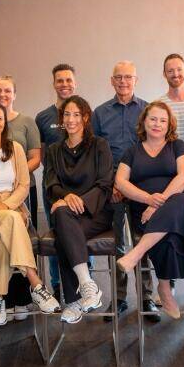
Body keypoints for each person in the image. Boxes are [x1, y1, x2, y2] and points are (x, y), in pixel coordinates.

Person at [0, 101, 60, 325]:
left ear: (5, 122)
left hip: (12, 208)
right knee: (13, 220)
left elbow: (24, 185)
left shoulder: (16, 149)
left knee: (3, 243)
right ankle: (36, 283)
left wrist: (6, 206)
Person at [114, 101, 184, 320]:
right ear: (144, 122)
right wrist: (148, 199)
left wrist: (158, 203)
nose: (157, 124)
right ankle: (165, 288)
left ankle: (137, 253)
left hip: (177, 205)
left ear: (169, 125)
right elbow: (120, 182)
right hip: (143, 210)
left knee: (179, 202)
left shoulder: (177, 146)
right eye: (153, 119)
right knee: (167, 232)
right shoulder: (132, 151)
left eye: (162, 120)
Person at [92, 60, 158, 321]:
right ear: (112, 81)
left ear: (136, 80)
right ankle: (119, 298)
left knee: (143, 243)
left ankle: (147, 298)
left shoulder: (147, 110)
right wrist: (114, 184)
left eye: (128, 77)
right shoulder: (100, 113)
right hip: (114, 190)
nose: (123, 81)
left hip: (141, 187)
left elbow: (152, 148)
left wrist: (135, 185)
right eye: (118, 77)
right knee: (117, 245)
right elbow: (97, 153)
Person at [44, 96, 114, 324]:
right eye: (67, 114)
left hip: (96, 212)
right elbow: (51, 184)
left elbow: (105, 184)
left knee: (63, 235)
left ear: (85, 118)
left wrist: (78, 201)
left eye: (76, 114)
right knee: (64, 221)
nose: (71, 119)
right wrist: (66, 197)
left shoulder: (99, 145)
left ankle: (74, 301)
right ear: (61, 119)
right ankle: (87, 285)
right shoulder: (54, 150)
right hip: (67, 214)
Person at [0, 75, 42, 321]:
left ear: (15, 94)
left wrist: (15, 178)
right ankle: (5, 300)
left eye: (7, 90)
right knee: (0, 241)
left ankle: (23, 300)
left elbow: (35, 158)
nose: (3, 94)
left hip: (22, 192)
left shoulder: (27, 122)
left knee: (23, 239)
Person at [35, 63, 78, 298]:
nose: (64, 84)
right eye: (60, 80)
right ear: (54, 84)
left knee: (81, 232)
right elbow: (41, 154)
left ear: (75, 83)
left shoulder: (84, 113)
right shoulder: (43, 117)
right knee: (55, 233)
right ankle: (57, 283)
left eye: (68, 80)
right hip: (53, 186)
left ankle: (84, 280)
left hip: (80, 186)